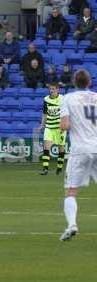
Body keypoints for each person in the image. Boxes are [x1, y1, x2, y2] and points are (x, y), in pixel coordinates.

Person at [59, 69, 97, 241]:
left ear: (74, 82)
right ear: (89, 82)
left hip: (80, 149)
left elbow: (65, 125)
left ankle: (72, 225)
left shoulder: (68, 99)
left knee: (71, 190)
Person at [39, 83, 66, 176]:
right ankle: (45, 169)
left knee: (60, 147)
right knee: (46, 147)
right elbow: (45, 113)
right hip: (49, 127)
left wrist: (64, 125)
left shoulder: (62, 99)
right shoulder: (46, 99)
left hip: (59, 127)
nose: (51, 90)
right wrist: (42, 124)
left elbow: (66, 113)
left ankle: (59, 168)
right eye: (50, 89)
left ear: (57, 89)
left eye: (53, 89)